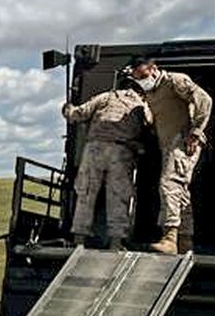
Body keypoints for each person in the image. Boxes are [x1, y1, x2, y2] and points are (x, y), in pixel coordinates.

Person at [124, 55, 213, 254]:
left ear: (153, 68)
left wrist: (196, 131)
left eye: (143, 75)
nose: (140, 80)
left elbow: (204, 100)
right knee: (180, 191)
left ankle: (170, 238)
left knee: (169, 184)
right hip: (168, 145)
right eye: (136, 78)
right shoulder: (151, 93)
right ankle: (185, 241)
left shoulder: (175, 81)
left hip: (183, 142)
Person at [61, 83, 151, 248]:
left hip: (94, 149)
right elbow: (150, 127)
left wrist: (67, 108)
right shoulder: (142, 104)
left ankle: (79, 239)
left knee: (86, 194)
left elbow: (77, 114)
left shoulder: (106, 96)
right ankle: (116, 242)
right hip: (122, 151)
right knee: (118, 197)